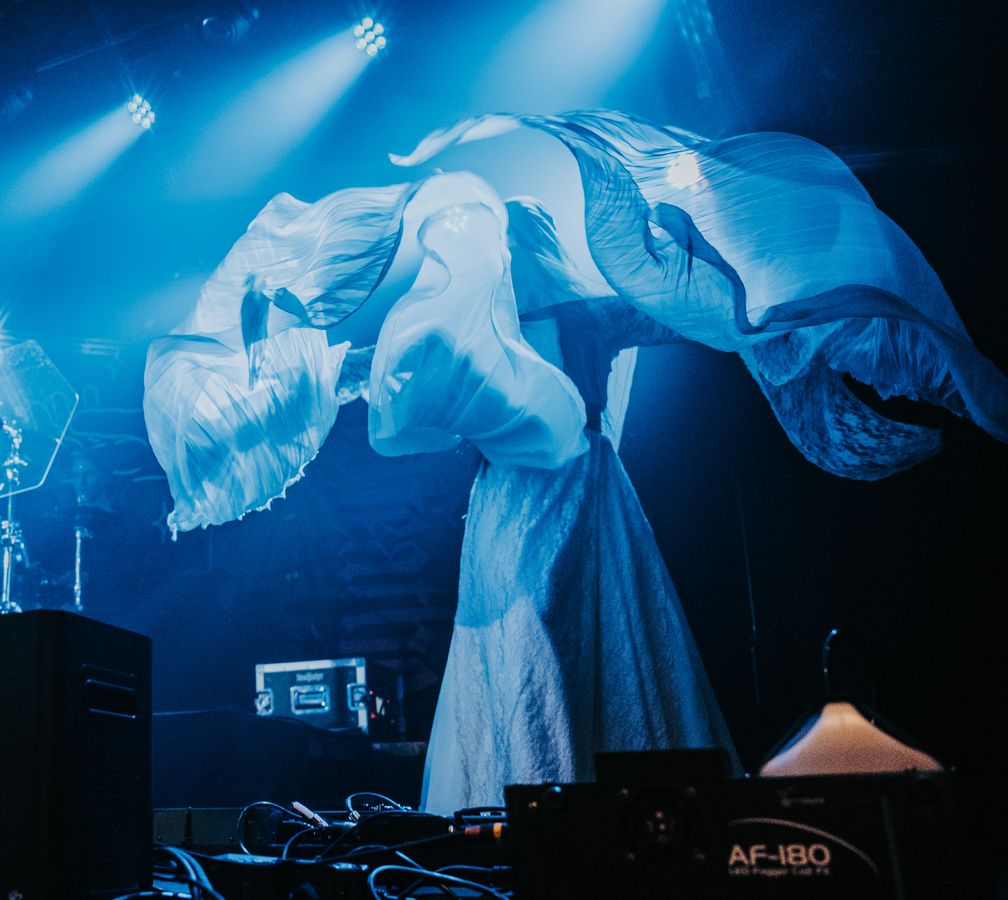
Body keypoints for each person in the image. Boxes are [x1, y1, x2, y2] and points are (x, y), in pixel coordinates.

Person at [142, 110, 1007, 810]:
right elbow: (361, 375)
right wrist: (272, 364)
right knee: (531, 642)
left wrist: (764, 293)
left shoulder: (580, 314)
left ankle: (579, 811)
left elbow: (701, 306)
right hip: (532, 502)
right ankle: (531, 808)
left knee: (570, 640)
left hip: (572, 499)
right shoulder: (490, 324)